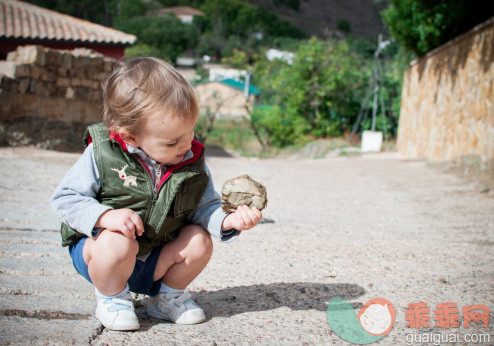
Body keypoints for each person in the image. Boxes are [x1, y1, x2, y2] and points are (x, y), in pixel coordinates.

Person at [50, 57, 262, 331]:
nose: (186, 145)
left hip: (153, 260)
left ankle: (165, 297)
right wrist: (105, 217)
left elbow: (205, 207)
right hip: (104, 255)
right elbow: (65, 197)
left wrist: (227, 221)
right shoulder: (103, 154)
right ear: (130, 137)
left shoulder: (190, 159)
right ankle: (112, 297)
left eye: (190, 133)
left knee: (199, 241)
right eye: (173, 141)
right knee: (118, 241)